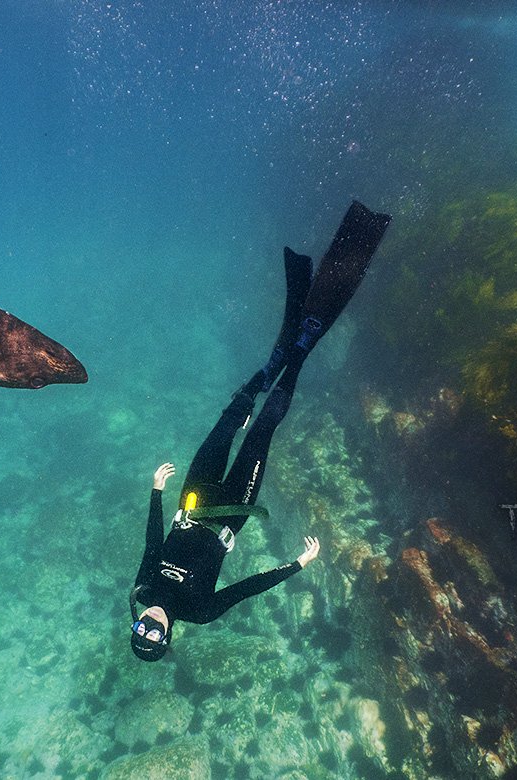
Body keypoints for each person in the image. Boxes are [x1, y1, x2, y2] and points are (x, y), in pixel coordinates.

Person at [130, 201, 390, 661]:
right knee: (262, 430)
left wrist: (155, 491)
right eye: (154, 637)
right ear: (168, 640)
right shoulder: (201, 610)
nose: (150, 626)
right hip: (232, 509)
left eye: (140, 630)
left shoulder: (144, 586)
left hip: (192, 494)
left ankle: (273, 365)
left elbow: (153, 541)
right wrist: (297, 565)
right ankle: (300, 351)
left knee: (228, 421)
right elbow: (248, 589)